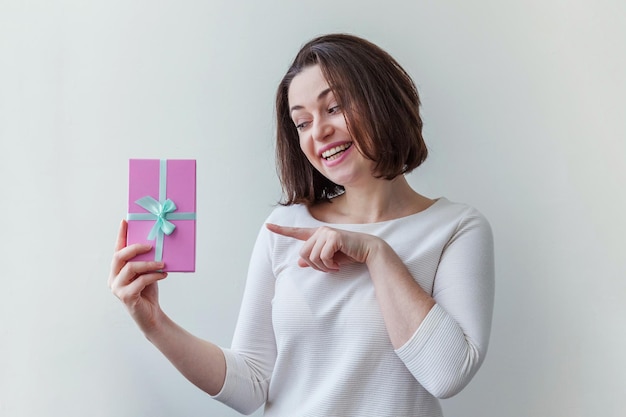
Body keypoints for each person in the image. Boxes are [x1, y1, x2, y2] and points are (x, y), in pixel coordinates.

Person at [109, 33, 495, 417]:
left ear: (383, 101)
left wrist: (376, 253)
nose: (318, 132)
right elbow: (252, 384)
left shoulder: (456, 229)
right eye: (302, 122)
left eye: (334, 107)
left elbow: (447, 374)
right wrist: (155, 324)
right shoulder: (284, 226)